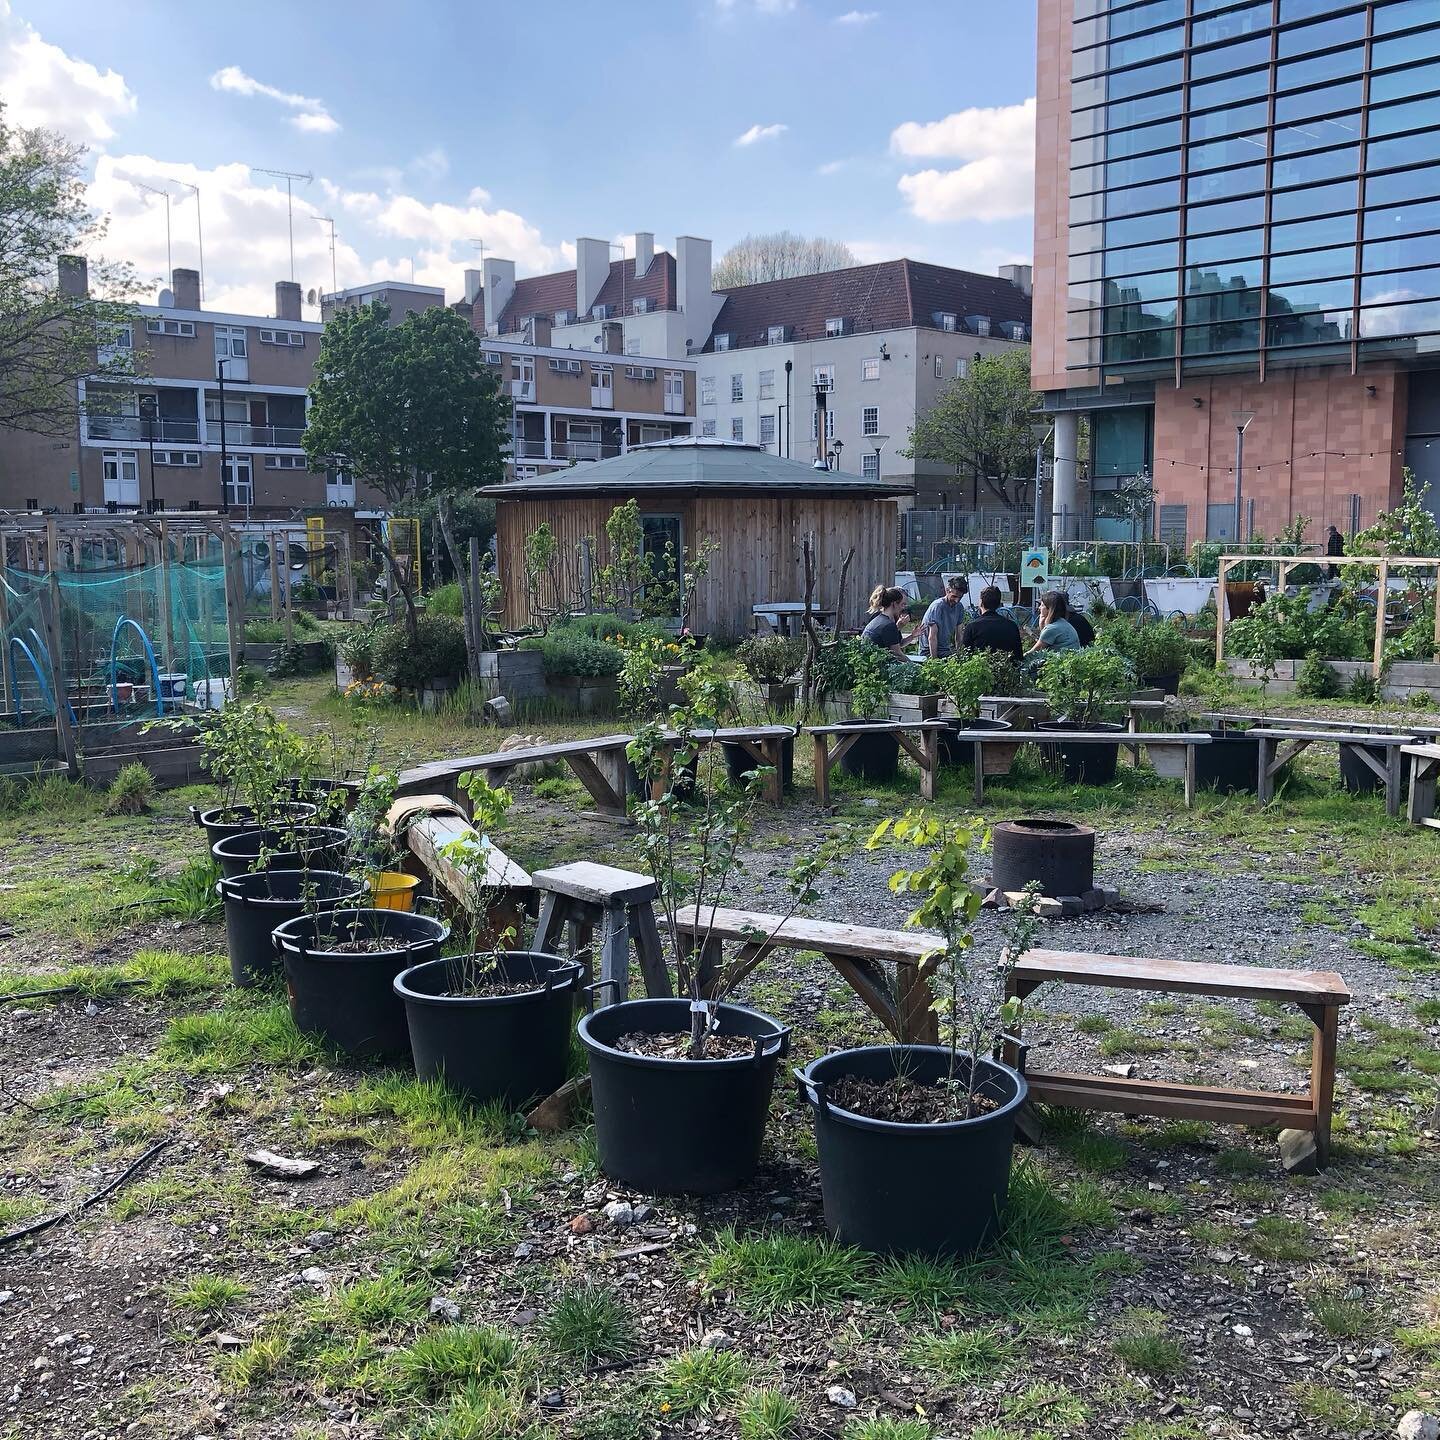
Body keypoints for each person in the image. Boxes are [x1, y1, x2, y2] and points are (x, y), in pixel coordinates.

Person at [960, 585, 1023, 661]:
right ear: (999, 604)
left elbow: (966, 656)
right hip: (1007, 670)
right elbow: (1019, 656)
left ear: (981, 603)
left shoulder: (972, 627)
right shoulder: (1012, 626)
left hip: (981, 670)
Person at [1026, 590, 1081, 668]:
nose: (1039, 608)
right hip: (1071, 664)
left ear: (1049, 609)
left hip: (1061, 667)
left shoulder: (1052, 629)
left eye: (1042, 605)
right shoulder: (1063, 623)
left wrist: (1017, 660)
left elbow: (1033, 652)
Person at [922, 575, 967, 658]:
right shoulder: (937, 606)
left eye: (960, 597)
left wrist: (960, 655)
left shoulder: (959, 607)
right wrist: (935, 662)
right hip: (929, 651)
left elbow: (959, 635)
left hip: (945, 650)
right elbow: (932, 637)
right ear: (947, 591)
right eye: (954, 596)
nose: (957, 600)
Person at [861, 585, 911, 657]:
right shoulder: (888, 625)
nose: (902, 608)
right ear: (894, 604)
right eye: (902, 605)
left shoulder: (878, 620)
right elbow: (897, 654)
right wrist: (916, 666)